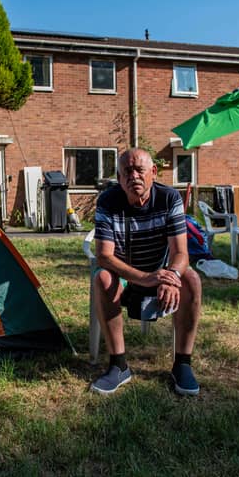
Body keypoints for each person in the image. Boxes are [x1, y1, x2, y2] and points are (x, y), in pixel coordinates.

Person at [90, 148, 202, 396]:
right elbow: (104, 256)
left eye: (139, 170)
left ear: (153, 172)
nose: (134, 177)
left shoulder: (169, 197)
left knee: (192, 279)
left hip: (161, 274)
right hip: (127, 278)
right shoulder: (108, 201)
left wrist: (171, 276)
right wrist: (145, 277)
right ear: (119, 178)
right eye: (126, 172)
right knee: (103, 277)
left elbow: (181, 252)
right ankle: (119, 365)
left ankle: (182, 364)